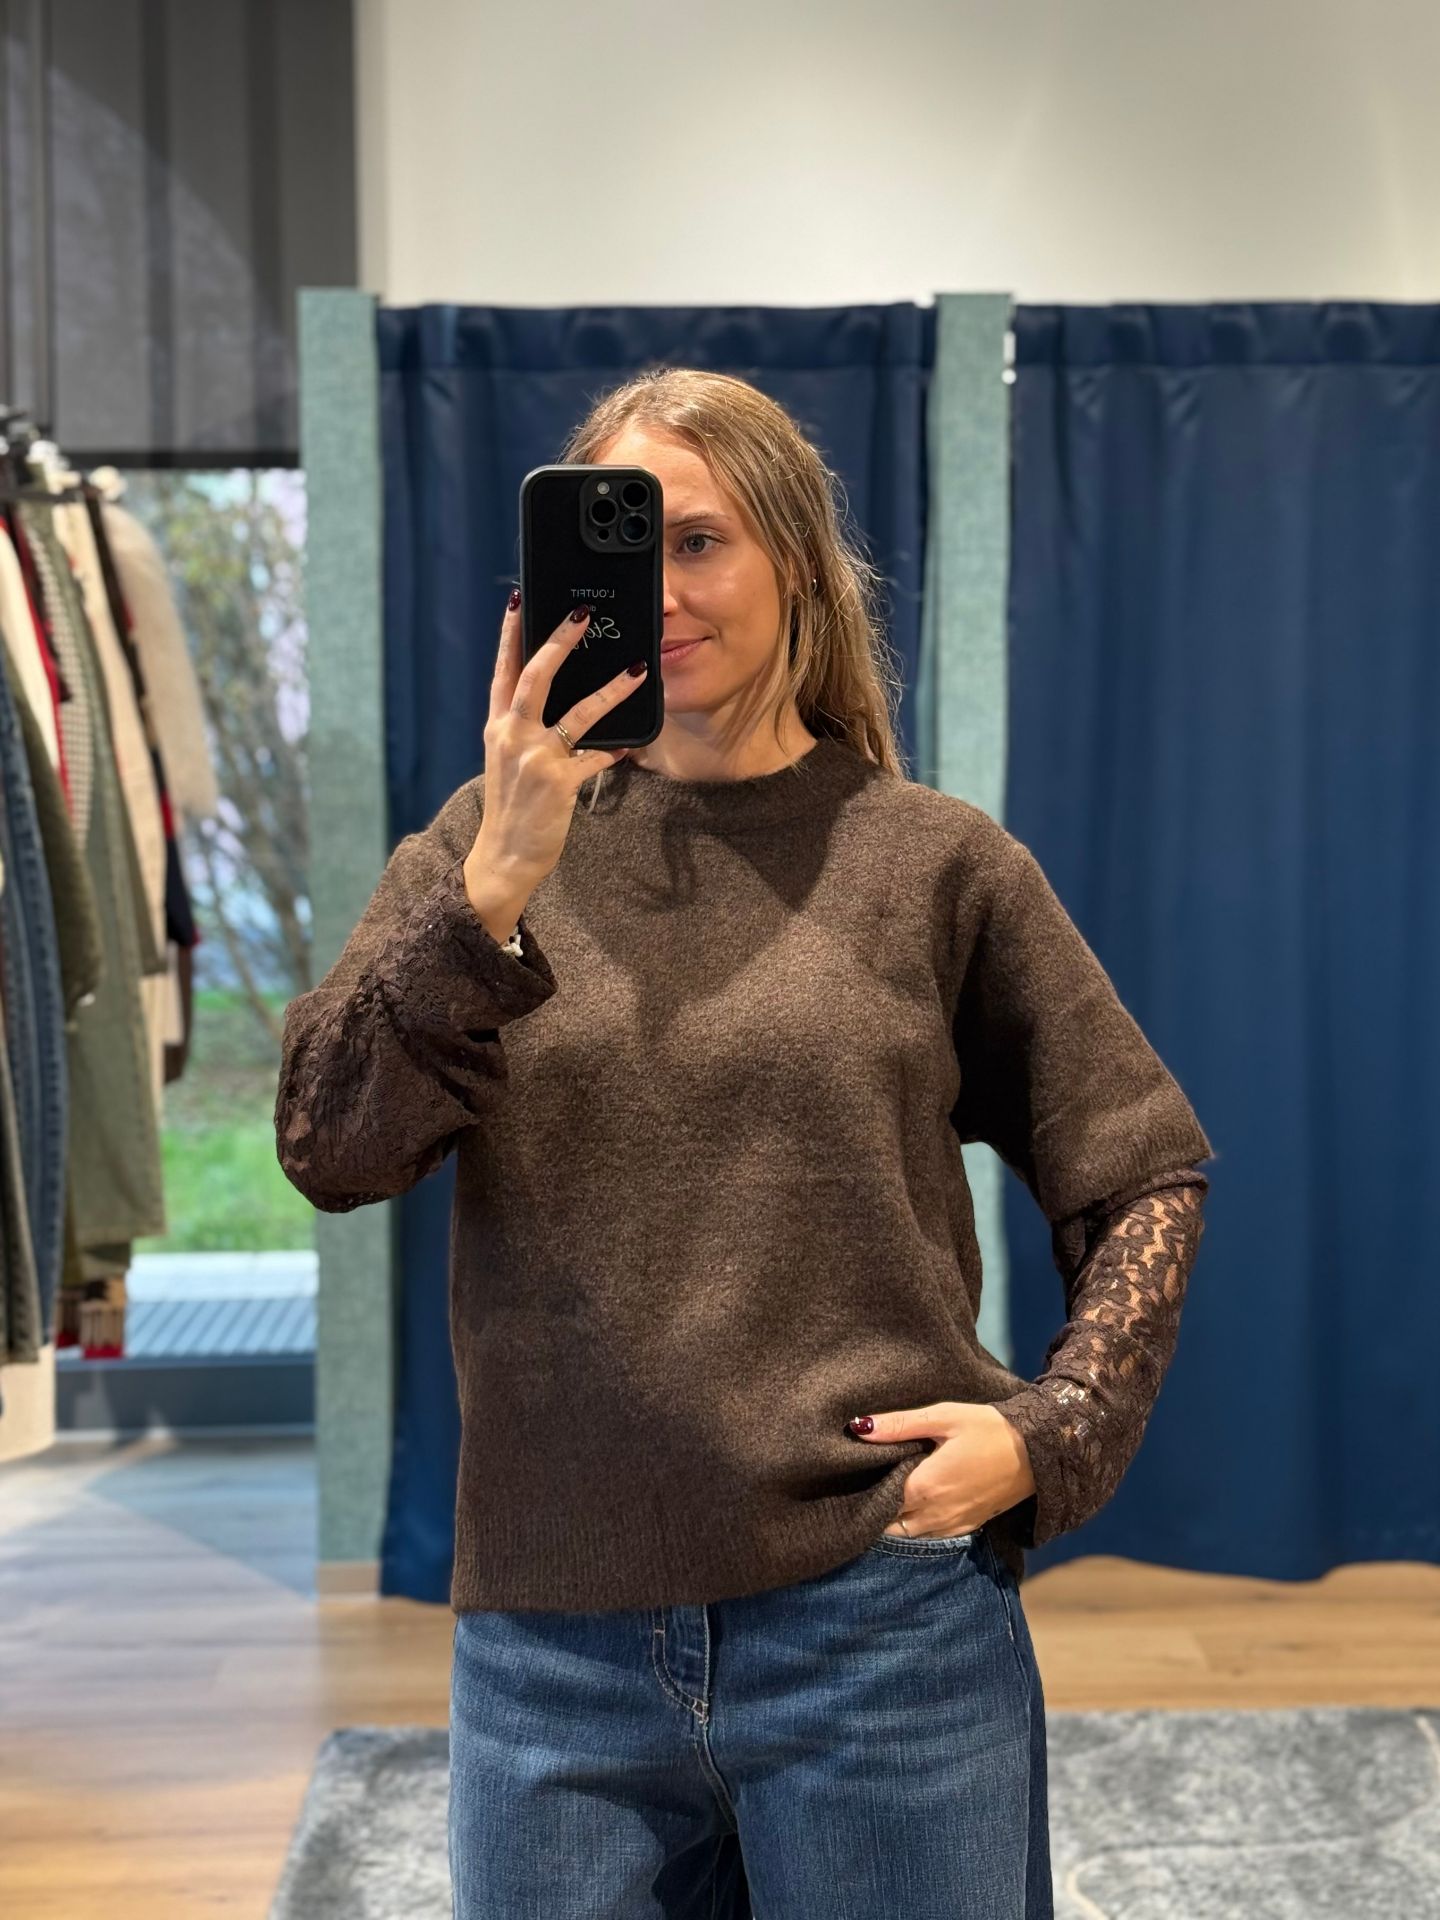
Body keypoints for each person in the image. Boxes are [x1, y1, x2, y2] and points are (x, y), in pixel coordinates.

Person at [275, 369, 1213, 1919]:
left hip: (879, 1625)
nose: (657, 590)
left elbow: (1142, 1169)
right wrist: (493, 888)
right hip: (551, 1647)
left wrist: (1057, 1435)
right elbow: (330, 1147)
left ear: (797, 563)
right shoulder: (479, 845)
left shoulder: (936, 864)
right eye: (616, 544)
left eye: (698, 541)